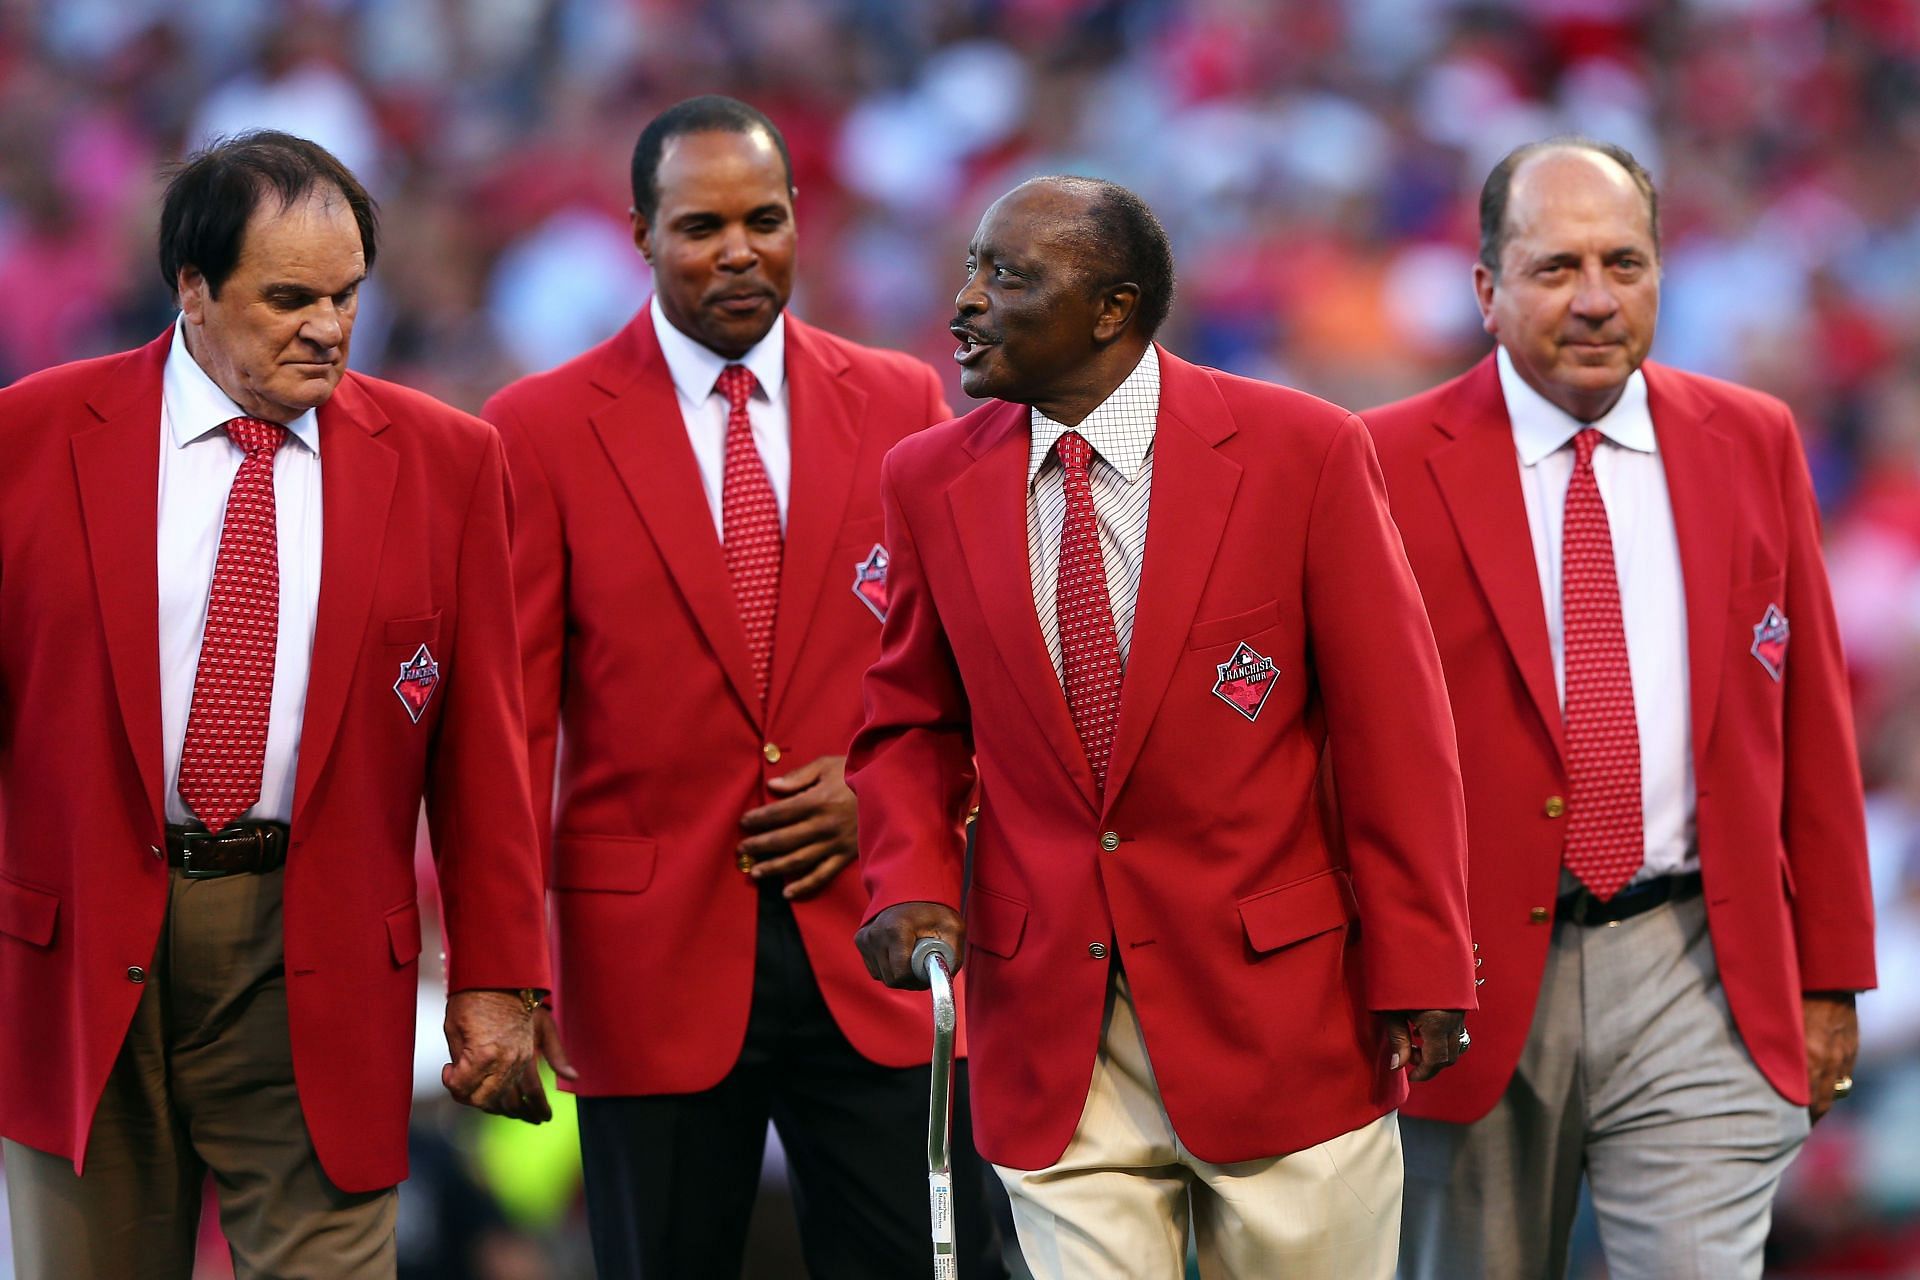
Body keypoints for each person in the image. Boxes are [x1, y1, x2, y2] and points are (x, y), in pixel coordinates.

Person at [850, 174, 1477, 1279]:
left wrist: (1424, 957)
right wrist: (908, 876)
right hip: (1054, 1025)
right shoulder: (925, 479)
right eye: (967, 269)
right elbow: (910, 723)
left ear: (1112, 308)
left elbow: (1397, 731)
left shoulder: (1304, 451)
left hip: (1284, 1018)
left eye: (1006, 275)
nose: (965, 302)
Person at [0, 131, 553, 1280]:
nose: (330, 326)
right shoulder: (29, 438)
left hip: (323, 952)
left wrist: (499, 976)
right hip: (81, 953)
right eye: (290, 297)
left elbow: (484, 751)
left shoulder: (451, 461)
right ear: (192, 288)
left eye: (348, 294)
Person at [483, 95, 1004, 1279]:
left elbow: (965, 680)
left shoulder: (902, 402)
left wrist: (885, 803)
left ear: (799, 219)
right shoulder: (539, 429)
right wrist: (507, 968)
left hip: (873, 943)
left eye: (763, 219)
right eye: (700, 224)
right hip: (643, 966)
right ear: (638, 233)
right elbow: (510, 728)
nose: (737, 250)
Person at [1364, 138, 1878, 1279]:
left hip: (1698, 958)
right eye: (1556, 269)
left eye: (1624, 263)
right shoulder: (1383, 460)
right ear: (1487, 290)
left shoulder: (1752, 437)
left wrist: (1833, 970)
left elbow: (1811, 724)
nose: (1596, 300)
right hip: (1471, 980)